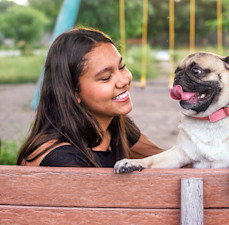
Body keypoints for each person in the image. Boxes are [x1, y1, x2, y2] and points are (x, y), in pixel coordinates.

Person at [17, 27, 163, 167]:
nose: (124, 80)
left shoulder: (114, 127)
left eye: (122, 67)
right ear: (74, 92)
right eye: (106, 77)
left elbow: (168, 163)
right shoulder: (62, 159)